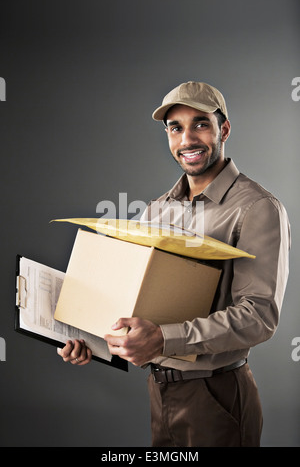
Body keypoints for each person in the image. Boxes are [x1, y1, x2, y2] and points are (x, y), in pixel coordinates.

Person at [57, 81, 290, 447]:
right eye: (175, 128)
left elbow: (258, 316)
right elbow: (134, 300)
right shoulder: (158, 209)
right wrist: (91, 339)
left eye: (200, 124)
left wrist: (164, 338)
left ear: (223, 129)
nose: (187, 140)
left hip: (217, 395)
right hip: (160, 391)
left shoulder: (257, 208)